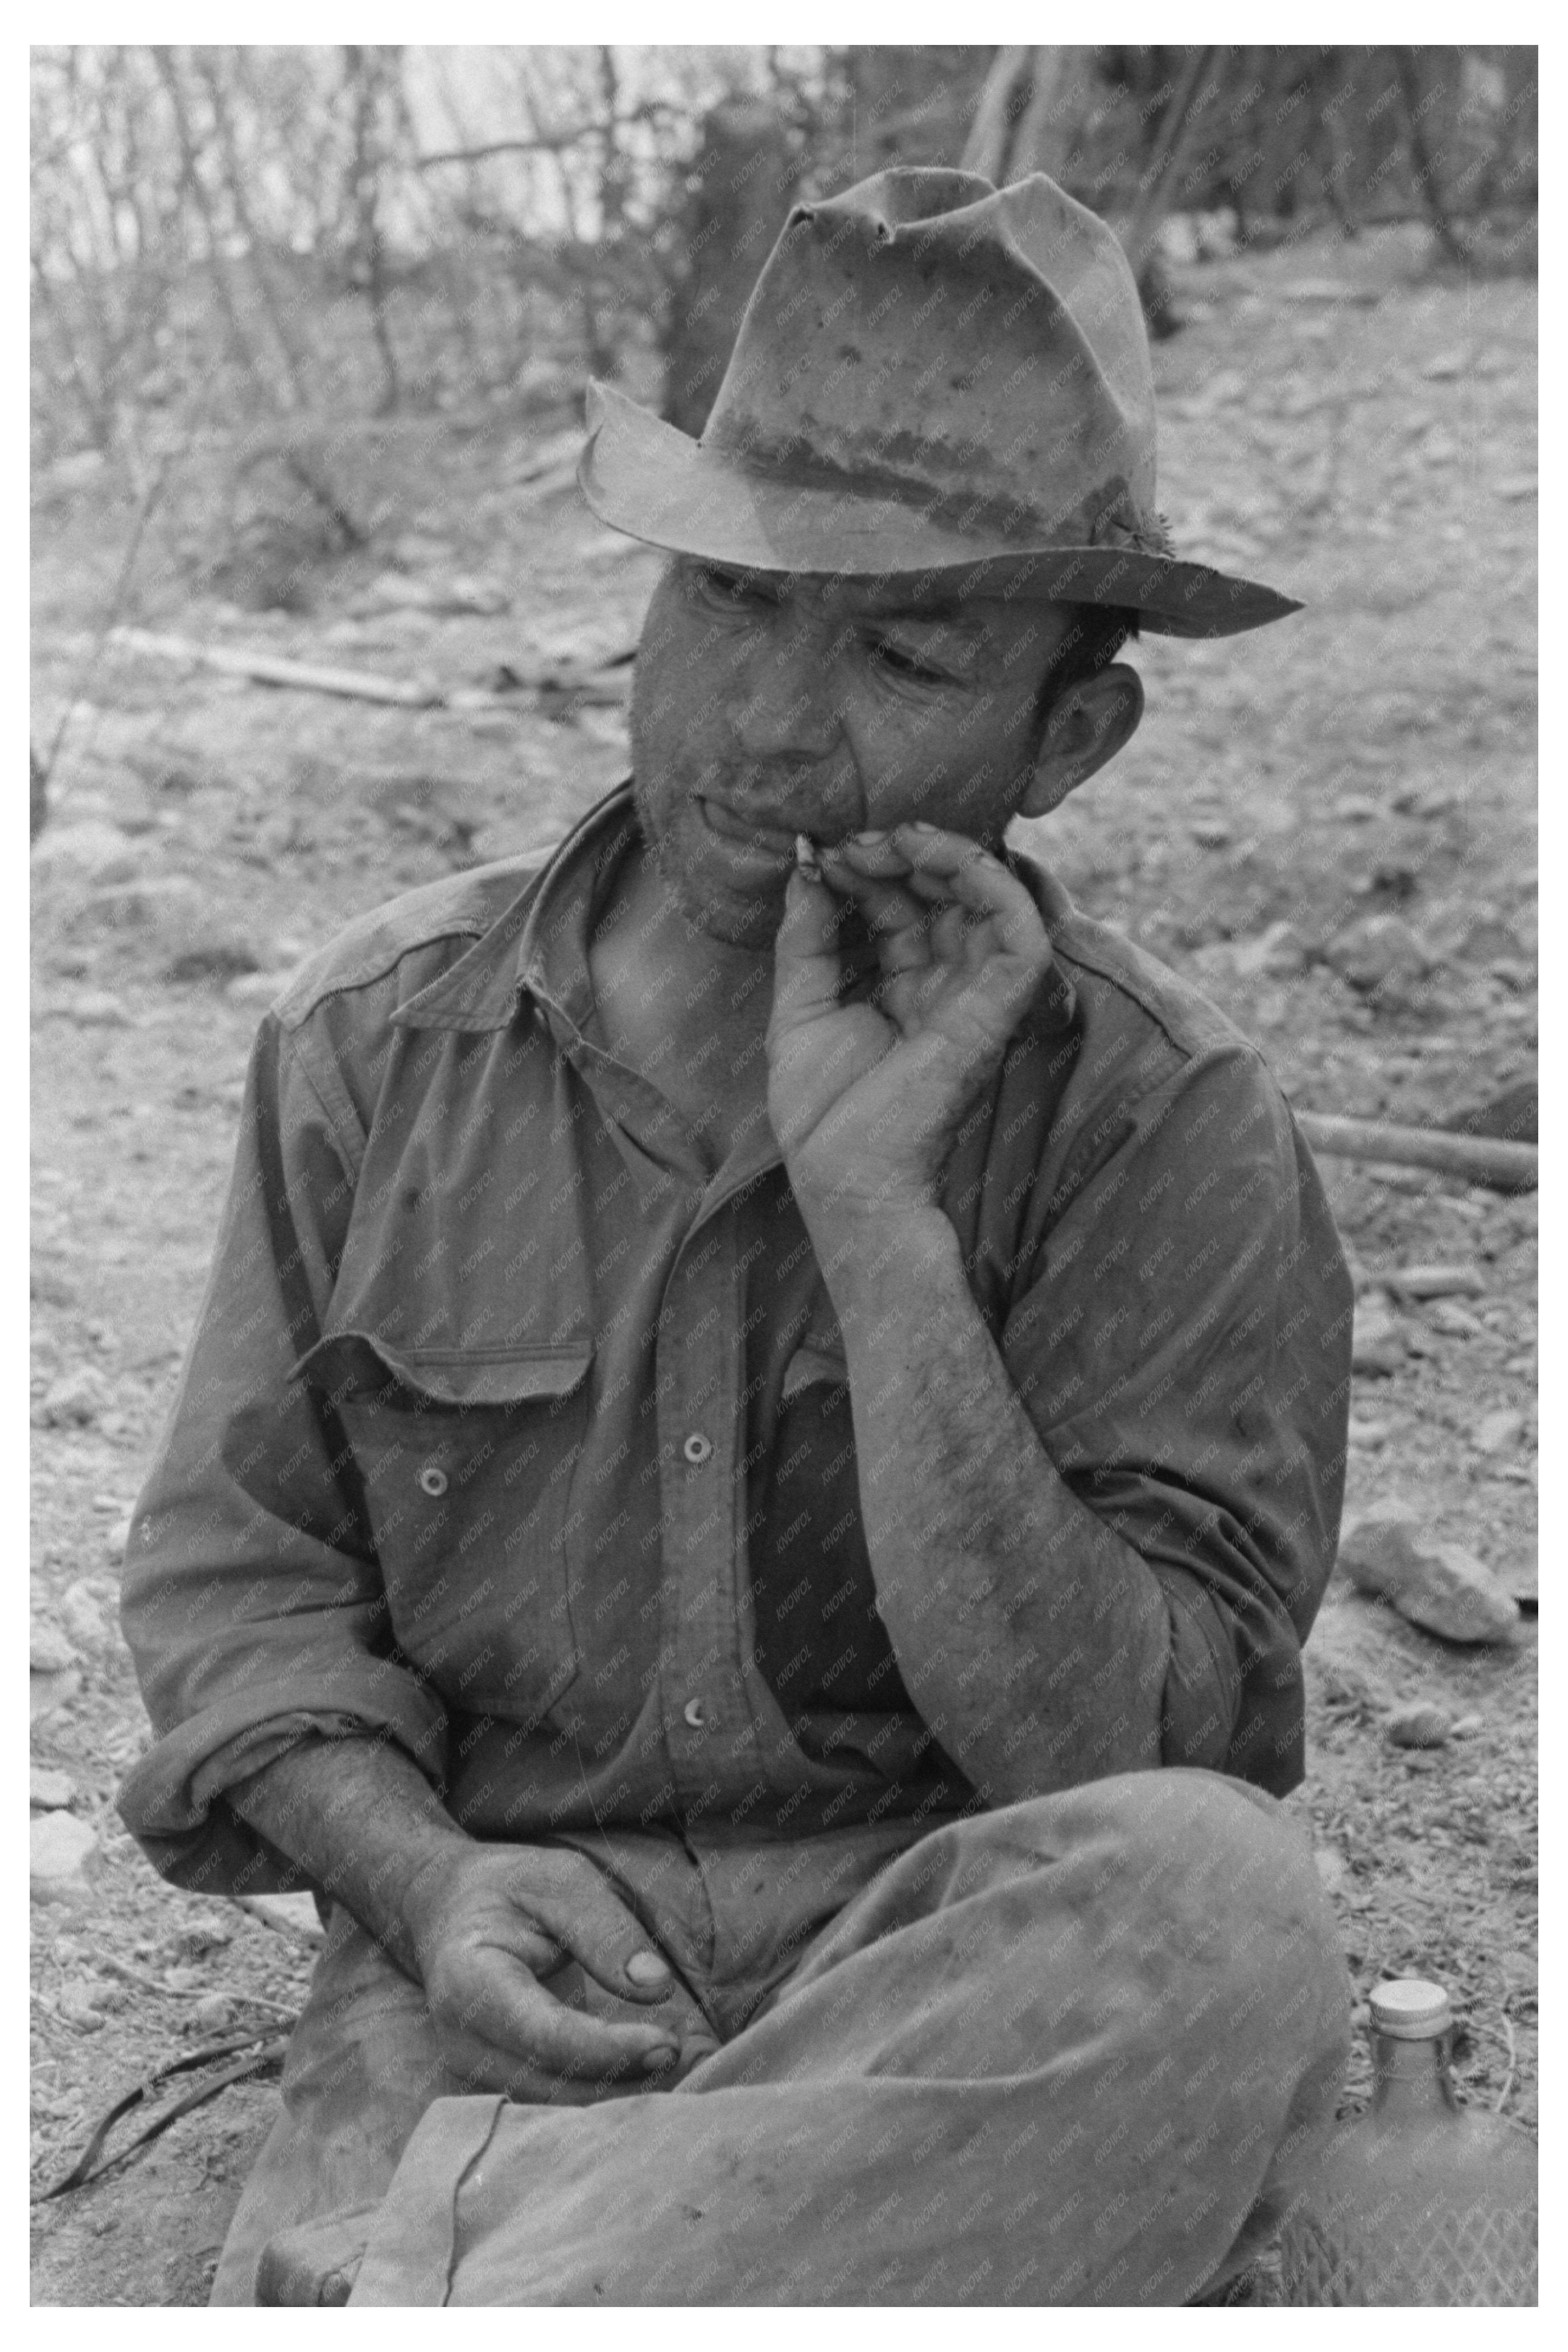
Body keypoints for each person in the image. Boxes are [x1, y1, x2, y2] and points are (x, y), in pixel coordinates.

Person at [118, 168, 1354, 2307]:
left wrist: (884, 1225)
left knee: (1229, 1912)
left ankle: (471, 2286)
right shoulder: (369, 1044)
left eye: (901, 649)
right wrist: (427, 1882)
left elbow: (1132, 1771)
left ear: (1072, 735)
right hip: (493, 1994)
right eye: (728, 600)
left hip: (928, 1989)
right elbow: (242, 1595)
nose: (767, 724)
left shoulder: (1171, 1124)